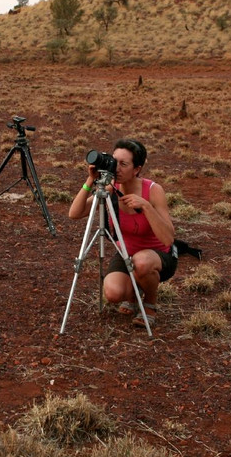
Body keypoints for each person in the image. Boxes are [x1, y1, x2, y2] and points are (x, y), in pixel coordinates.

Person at [68, 138, 176, 328]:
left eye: (123, 164)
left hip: (158, 256)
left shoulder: (153, 190)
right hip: (126, 254)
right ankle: (135, 293)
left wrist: (146, 206)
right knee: (113, 294)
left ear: (136, 169)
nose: (116, 168)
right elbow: (74, 213)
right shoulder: (111, 188)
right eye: (114, 161)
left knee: (142, 263)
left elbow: (168, 238)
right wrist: (90, 180)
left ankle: (150, 303)